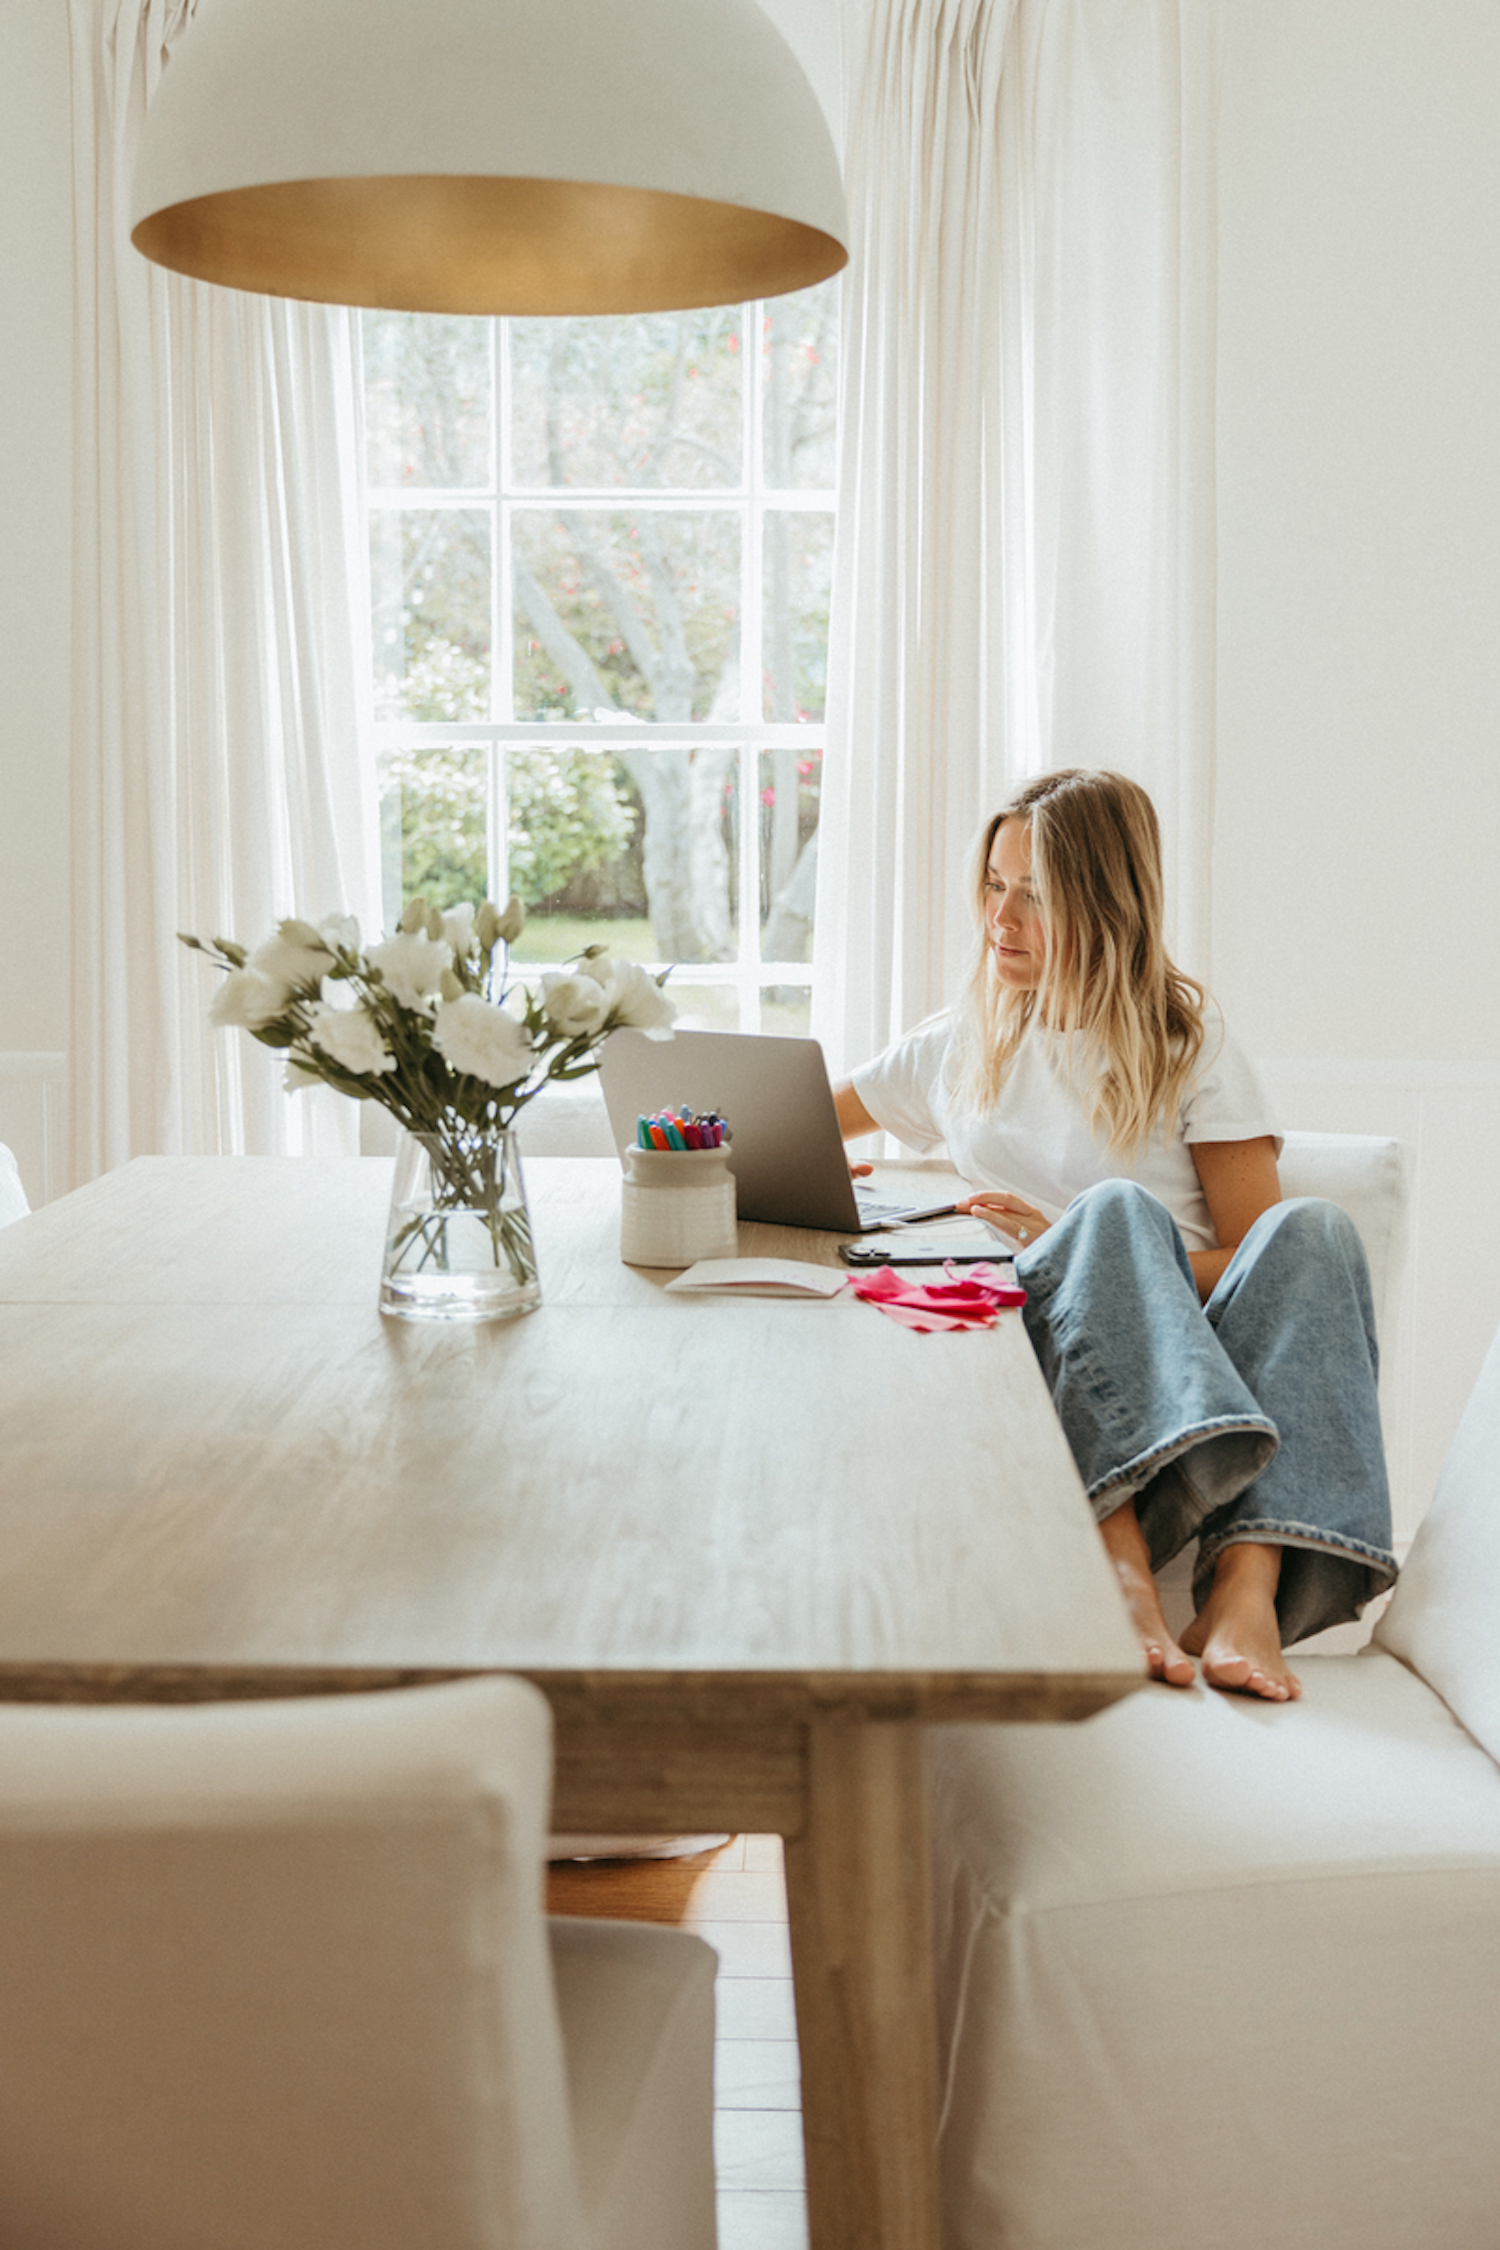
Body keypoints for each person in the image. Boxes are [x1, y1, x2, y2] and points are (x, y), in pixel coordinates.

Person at [833, 769, 1396, 1702]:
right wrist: (827, 1176)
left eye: (1037, 894)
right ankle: (1120, 1568)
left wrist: (1088, 1242)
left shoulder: (1185, 1036)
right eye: (995, 884)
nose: (1001, 919)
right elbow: (808, 1124)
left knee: (1312, 1231)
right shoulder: (965, 1036)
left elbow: (1260, 1262)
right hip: (1031, 1345)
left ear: (1105, 900)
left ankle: (1243, 1589)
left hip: (1189, 1368)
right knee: (1115, 1213)